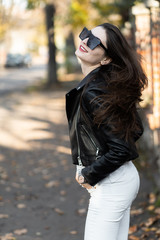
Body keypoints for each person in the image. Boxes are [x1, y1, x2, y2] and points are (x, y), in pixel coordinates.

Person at [65, 23, 148, 240]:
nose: (85, 42)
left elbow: (123, 148)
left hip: (113, 184)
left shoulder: (95, 90)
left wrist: (88, 174)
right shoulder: (104, 85)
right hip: (119, 180)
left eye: (94, 42)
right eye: (86, 35)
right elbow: (135, 129)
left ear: (106, 59)